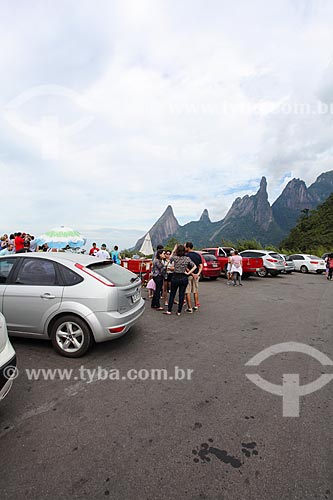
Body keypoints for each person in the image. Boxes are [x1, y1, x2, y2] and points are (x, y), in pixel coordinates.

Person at [164, 245, 196, 316]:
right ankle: (179, 311)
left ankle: (169, 310)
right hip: (184, 277)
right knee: (181, 294)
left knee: (172, 294)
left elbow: (167, 263)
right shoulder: (187, 258)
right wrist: (188, 273)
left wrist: (173, 250)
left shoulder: (175, 258)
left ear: (177, 251)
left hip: (175, 277)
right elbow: (194, 266)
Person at [184, 242, 203, 313]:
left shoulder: (186, 256)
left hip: (188, 276)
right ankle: (196, 305)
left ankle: (190, 308)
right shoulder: (198, 255)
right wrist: (197, 274)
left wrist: (191, 274)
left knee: (187, 292)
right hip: (196, 276)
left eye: (185, 247)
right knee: (195, 291)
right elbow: (200, 266)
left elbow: (185, 267)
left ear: (188, 247)